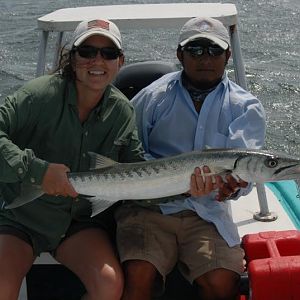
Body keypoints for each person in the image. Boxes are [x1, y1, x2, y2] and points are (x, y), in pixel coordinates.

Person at [115, 17, 266, 300]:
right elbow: (127, 151)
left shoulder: (245, 107)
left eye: (214, 50)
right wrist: (170, 181)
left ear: (228, 56)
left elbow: (243, 173)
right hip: (150, 209)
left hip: (207, 212)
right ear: (179, 54)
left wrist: (231, 187)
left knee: (221, 282)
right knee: (138, 274)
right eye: (195, 50)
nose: (205, 58)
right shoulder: (152, 97)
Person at [0, 19, 144, 300]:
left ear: (120, 61)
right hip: (23, 218)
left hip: (79, 222)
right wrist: (37, 171)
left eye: (108, 53)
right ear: (72, 57)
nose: (97, 60)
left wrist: (190, 185)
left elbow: (137, 170)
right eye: (87, 51)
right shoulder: (38, 95)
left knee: (109, 285)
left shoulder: (123, 112)